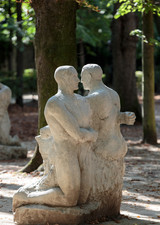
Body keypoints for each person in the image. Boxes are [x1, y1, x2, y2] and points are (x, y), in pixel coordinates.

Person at [13, 66, 97, 211]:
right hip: (65, 154)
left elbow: (88, 125)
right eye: (74, 76)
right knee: (69, 199)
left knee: (83, 198)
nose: (78, 80)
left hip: (83, 152)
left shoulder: (79, 100)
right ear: (63, 79)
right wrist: (92, 134)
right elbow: (77, 133)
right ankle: (24, 197)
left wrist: (88, 133)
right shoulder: (55, 103)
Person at [81, 64, 136, 215]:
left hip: (103, 148)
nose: (80, 80)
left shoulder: (93, 98)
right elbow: (113, 117)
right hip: (119, 144)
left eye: (82, 76)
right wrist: (124, 117)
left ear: (89, 76)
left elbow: (91, 128)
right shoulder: (113, 93)